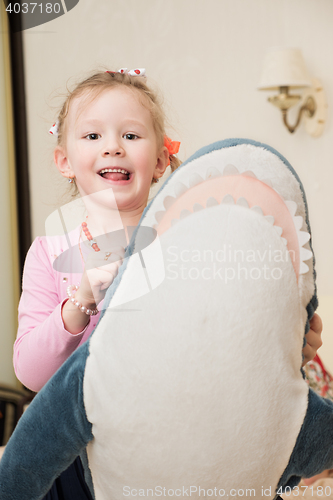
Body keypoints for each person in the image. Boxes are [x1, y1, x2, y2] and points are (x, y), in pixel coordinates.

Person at [12, 68, 181, 499]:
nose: (112, 147)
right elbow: (31, 374)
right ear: (64, 160)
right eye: (92, 137)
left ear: (161, 159)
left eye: (131, 136)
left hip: (173, 442)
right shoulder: (49, 253)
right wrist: (80, 303)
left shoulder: (184, 243)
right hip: (76, 453)